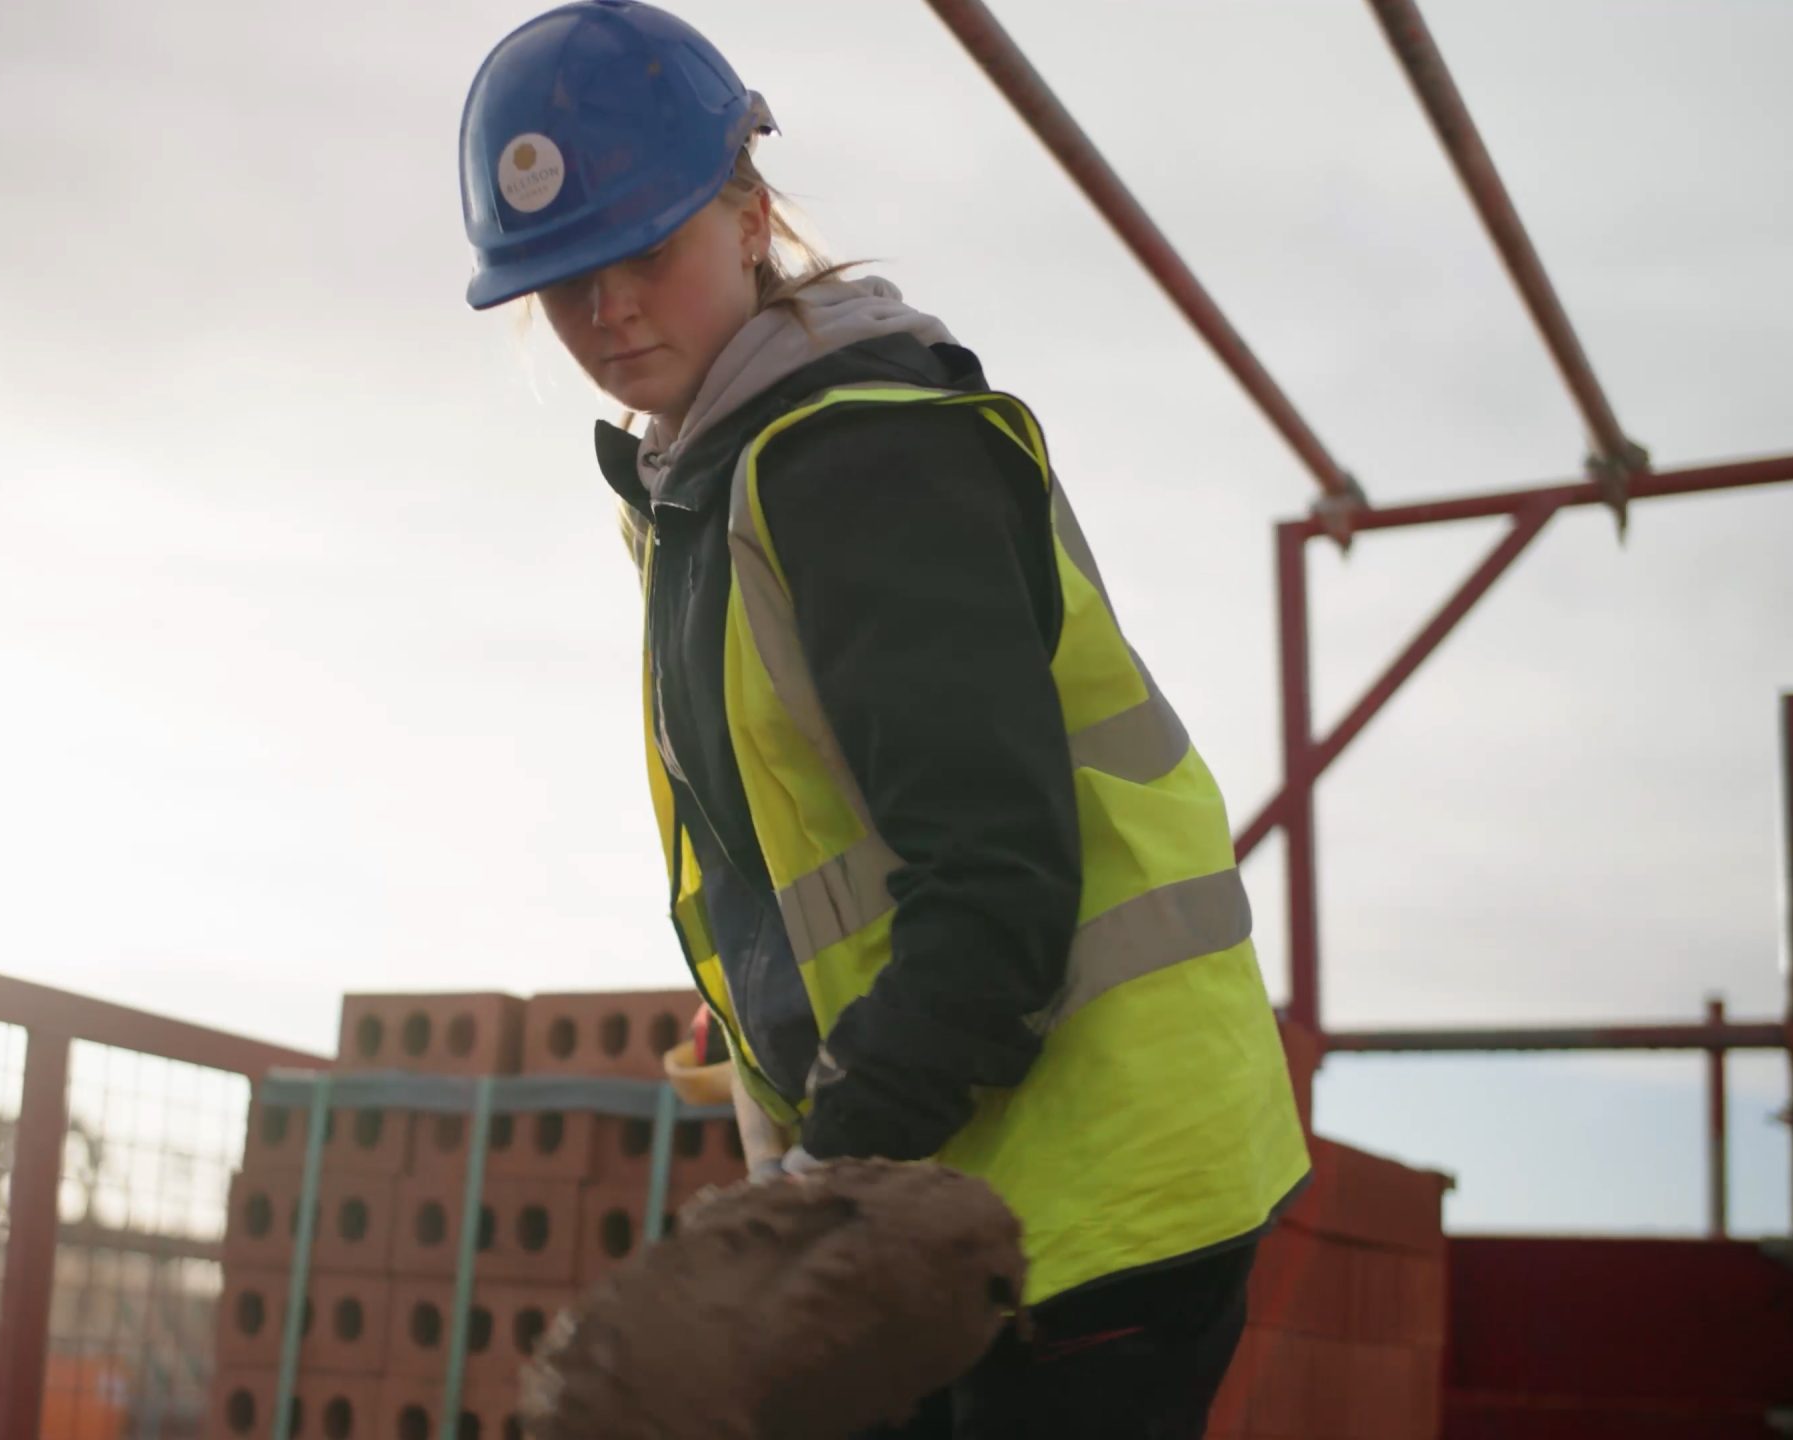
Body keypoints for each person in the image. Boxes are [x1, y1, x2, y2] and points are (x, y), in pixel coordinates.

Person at [458, 3, 1311, 1435]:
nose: (605, 313)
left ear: (748, 211)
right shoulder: (709, 488)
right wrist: (768, 1011)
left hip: (1092, 1195)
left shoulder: (856, 462)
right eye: (562, 281)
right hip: (964, 1171)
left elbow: (995, 889)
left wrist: (804, 1197)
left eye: (642, 253)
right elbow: (831, 826)